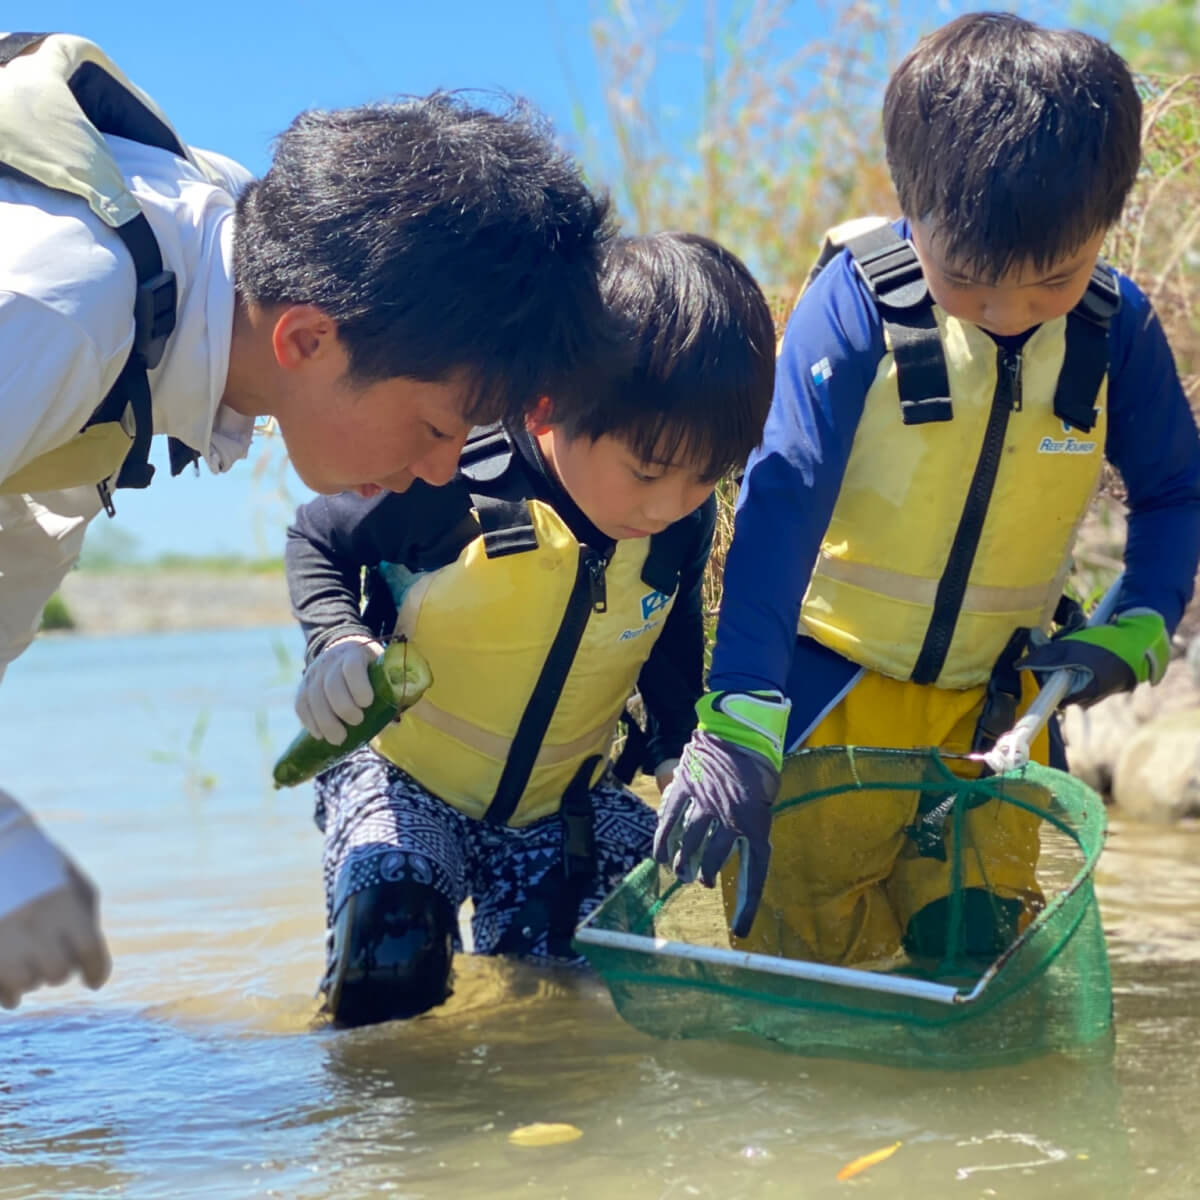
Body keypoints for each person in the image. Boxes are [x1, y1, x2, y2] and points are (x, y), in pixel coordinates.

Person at [0, 33, 619, 1009]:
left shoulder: (240, 251)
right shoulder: (56, 306)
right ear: (307, 340)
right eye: (433, 427)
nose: (442, 470)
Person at [654, 12, 1200, 964]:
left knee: (978, 941)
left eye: (1052, 282)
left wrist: (1138, 623)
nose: (1008, 315)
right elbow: (785, 496)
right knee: (804, 952)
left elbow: (1174, 493)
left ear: (1104, 228)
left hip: (995, 714)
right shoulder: (857, 300)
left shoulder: (1120, 330)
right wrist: (739, 709)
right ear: (912, 207)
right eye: (971, 282)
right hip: (833, 696)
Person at [285, 231, 775, 1026]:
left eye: (705, 478)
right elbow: (317, 537)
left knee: (570, 1006)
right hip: (409, 779)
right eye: (648, 472)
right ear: (549, 404)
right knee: (391, 962)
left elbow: (673, 675)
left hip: (559, 809)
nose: (669, 504)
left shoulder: (680, 526)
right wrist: (335, 641)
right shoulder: (452, 480)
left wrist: (684, 762)